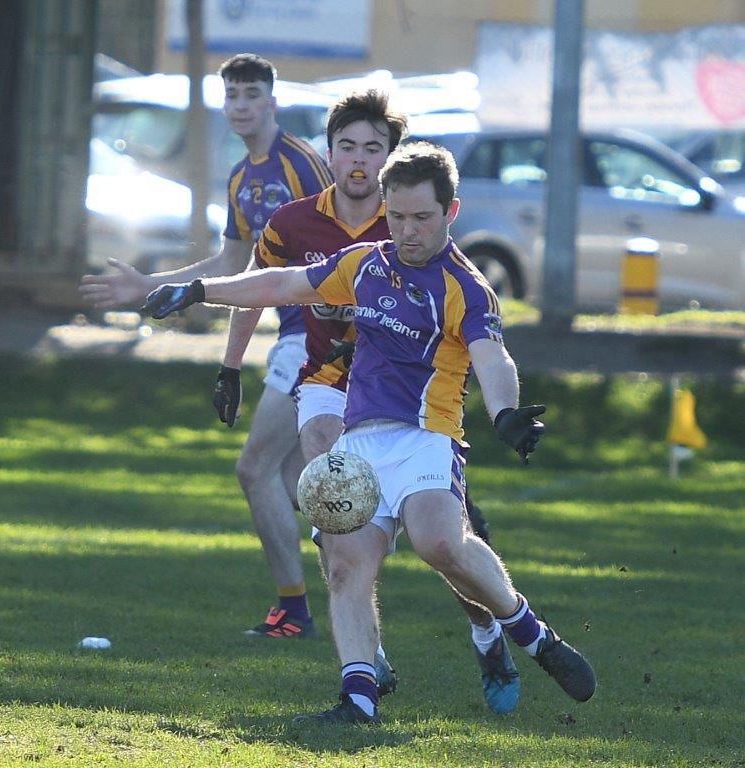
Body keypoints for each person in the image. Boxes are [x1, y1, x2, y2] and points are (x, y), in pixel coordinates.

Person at [141, 141, 597, 724]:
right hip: (360, 444)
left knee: (439, 542)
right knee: (346, 564)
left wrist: (504, 412)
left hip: (427, 437)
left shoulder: (465, 285)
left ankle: (531, 633)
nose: (409, 230)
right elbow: (282, 284)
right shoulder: (365, 264)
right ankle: (359, 698)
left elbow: (493, 357)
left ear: (450, 212)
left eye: (423, 218)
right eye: (399, 216)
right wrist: (200, 290)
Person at [215, 90, 516, 713]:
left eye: (372, 149)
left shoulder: (410, 219)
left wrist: (503, 405)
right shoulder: (298, 221)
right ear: (329, 153)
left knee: (447, 539)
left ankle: (487, 627)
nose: (359, 160)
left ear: (391, 160)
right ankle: (366, 665)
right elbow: (264, 283)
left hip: (418, 402)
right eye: (347, 146)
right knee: (333, 496)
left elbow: (483, 342)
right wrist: (228, 361)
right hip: (330, 380)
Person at [79, 53, 332, 638]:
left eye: (251, 95)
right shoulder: (243, 178)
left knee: (255, 469)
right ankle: (378, 521)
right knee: (296, 478)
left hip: (320, 338)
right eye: (232, 96)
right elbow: (231, 265)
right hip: (292, 336)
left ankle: (295, 610)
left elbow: (337, 245)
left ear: (271, 101)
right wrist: (153, 287)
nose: (241, 105)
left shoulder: (301, 165)